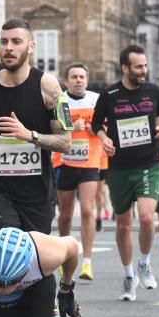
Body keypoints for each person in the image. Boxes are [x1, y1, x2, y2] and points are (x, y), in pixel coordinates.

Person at [0, 18, 71, 233]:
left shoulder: (48, 86)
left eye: (16, 41)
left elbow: (66, 142)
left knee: (34, 257)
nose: (8, 48)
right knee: (6, 246)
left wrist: (30, 135)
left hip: (36, 190)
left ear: (31, 47)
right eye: (4, 42)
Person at [92, 43, 159, 301]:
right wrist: (104, 138)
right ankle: (128, 276)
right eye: (139, 67)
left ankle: (144, 263)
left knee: (147, 218)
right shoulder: (110, 94)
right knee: (124, 225)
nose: (144, 70)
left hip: (149, 163)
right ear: (125, 68)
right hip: (120, 168)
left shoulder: (154, 91)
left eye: (145, 65)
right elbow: (95, 124)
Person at [53, 62, 102, 281]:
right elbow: (53, 128)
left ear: (87, 80)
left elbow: (106, 127)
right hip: (64, 161)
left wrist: (94, 128)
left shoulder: (96, 100)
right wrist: (72, 126)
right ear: (66, 81)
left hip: (89, 161)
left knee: (87, 209)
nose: (78, 80)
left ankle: (87, 262)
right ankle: (65, 256)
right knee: (65, 213)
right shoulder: (60, 100)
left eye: (82, 77)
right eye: (74, 77)